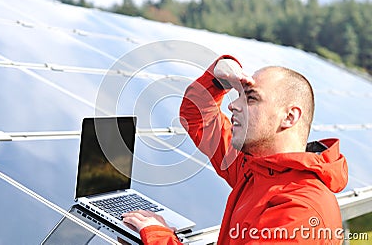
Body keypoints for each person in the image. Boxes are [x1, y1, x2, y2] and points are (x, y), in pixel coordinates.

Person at [123, 55, 348, 244]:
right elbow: (197, 117)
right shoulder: (256, 169)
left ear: (289, 117)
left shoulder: (299, 210)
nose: (232, 105)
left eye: (250, 98)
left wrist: (159, 236)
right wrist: (218, 77)